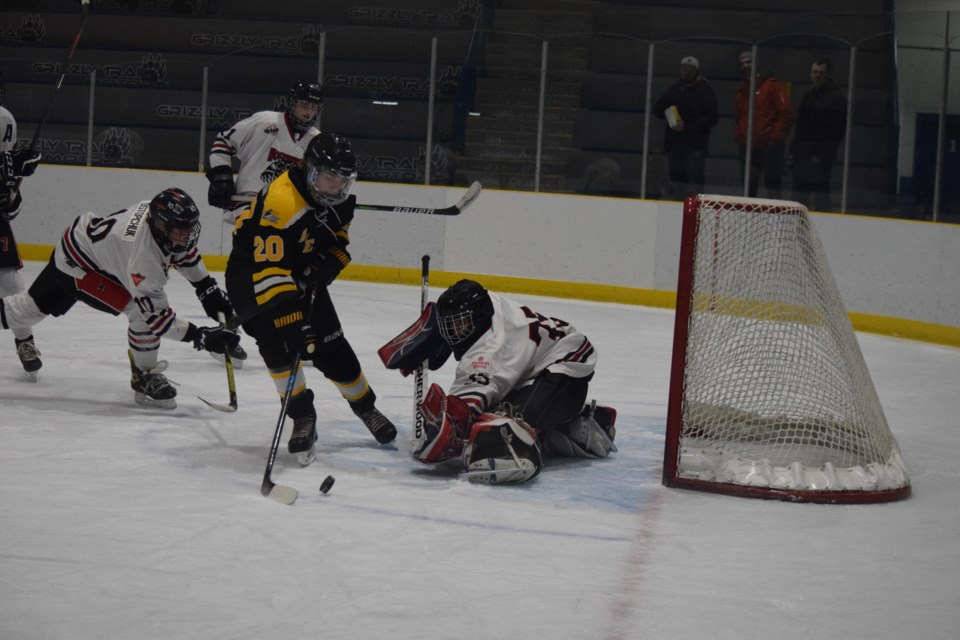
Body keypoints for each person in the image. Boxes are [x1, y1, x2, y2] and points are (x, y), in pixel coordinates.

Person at [225, 132, 397, 467]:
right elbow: (270, 271)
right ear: (309, 170)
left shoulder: (338, 200)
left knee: (331, 343)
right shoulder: (282, 201)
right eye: (328, 178)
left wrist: (327, 264)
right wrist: (293, 326)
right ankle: (303, 416)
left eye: (342, 181)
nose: (335, 188)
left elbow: (338, 240)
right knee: (279, 349)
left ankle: (366, 407)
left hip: (298, 269)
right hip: (252, 274)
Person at [0, 188, 240, 407]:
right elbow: (158, 320)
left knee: (26, 310)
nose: (186, 236)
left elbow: (181, 252)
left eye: (189, 228)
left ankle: (144, 373)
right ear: (161, 225)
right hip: (80, 267)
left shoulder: (157, 218)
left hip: (80, 246)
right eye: (181, 230)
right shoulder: (142, 258)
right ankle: (144, 376)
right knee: (139, 314)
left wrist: (206, 288)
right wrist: (201, 336)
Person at [379, 279, 617, 485]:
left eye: (459, 325)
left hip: (565, 368)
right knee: (496, 413)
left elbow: (466, 404)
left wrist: (446, 425)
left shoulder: (490, 350)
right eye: (448, 325)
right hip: (542, 364)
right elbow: (451, 312)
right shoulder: (489, 302)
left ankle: (542, 442)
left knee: (508, 423)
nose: (453, 332)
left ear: (478, 317)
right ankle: (576, 426)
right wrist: (432, 335)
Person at [206, 79, 324, 224]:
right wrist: (221, 177)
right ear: (293, 104)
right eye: (305, 104)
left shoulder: (317, 140)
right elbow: (224, 142)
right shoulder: (265, 121)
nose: (309, 111)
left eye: (314, 106)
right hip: (247, 203)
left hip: (285, 210)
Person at [0, 77, 44, 379]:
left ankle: (25, 343)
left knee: (12, 285)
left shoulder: (4, 121)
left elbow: (9, 209)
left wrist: (12, 183)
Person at [653, 56, 719, 199]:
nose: (686, 72)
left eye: (690, 69)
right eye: (684, 69)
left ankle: (696, 212)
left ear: (696, 71)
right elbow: (657, 109)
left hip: (694, 146)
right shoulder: (674, 90)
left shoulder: (704, 91)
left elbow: (712, 117)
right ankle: (676, 208)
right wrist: (668, 111)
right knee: (676, 181)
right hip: (675, 145)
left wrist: (688, 126)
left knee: (694, 181)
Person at [787, 59, 847, 212]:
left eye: (821, 73)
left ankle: (823, 224)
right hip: (802, 153)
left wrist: (821, 154)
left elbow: (837, 130)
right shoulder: (809, 94)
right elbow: (800, 127)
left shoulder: (835, 97)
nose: (817, 75)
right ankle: (799, 224)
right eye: (815, 72)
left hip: (820, 156)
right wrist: (793, 151)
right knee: (800, 194)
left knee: (820, 192)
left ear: (827, 75)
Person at [735, 51, 794, 198]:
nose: (745, 66)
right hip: (749, 147)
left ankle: (775, 218)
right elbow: (740, 117)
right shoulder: (743, 91)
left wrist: (774, 138)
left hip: (769, 147)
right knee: (748, 190)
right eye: (742, 63)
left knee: (772, 187)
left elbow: (786, 114)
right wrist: (740, 136)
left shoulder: (773, 86)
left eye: (748, 62)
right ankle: (748, 217)